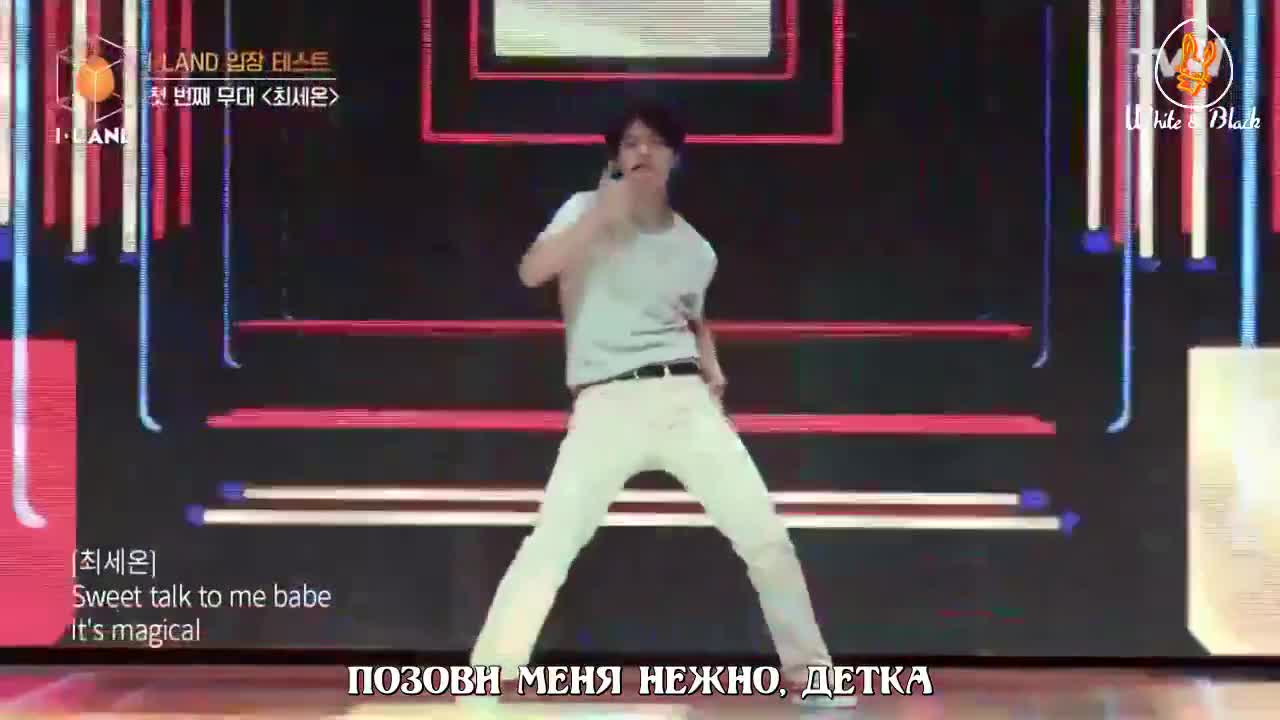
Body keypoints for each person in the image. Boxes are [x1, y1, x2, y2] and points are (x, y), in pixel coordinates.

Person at [469, 102, 857, 710]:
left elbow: (692, 317)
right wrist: (601, 216)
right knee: (551, 545)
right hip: (606, 401)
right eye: (630, 143)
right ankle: (484, 682)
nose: (642, 152)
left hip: (684, 400)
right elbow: (532, 272)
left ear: (675, 157)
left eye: (654, 143)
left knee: (766, 539)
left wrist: (712, 367)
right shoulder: (583, 210)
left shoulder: (696, 249)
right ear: (615, 158)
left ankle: (815, 678)